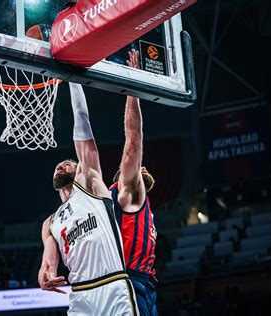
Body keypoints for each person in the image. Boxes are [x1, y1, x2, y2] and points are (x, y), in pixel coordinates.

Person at [38, 82, 139, 315]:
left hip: (112, 284)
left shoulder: (90, 184)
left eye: (69, 163)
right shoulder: (50, 223)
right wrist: (46, 276)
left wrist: (72, 80)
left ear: (80, 170)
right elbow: (49, 262)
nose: (61, 165)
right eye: (58, 165)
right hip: (81, 294)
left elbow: (82, 120)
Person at [109, 49, 158, 316]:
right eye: (137, 169)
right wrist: (133, 87)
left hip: (142, 284)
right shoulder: (128, 193)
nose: (142, 166)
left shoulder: (141, 206)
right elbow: (133, 141)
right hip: (129, 281)